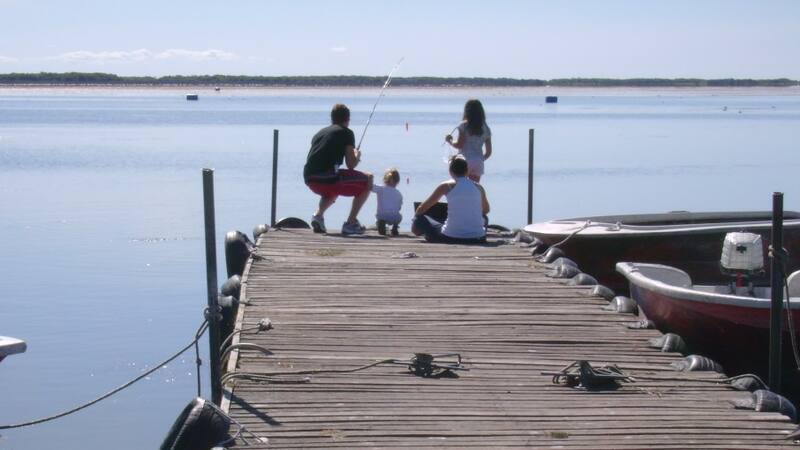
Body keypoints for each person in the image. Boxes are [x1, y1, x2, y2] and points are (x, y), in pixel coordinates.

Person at [304, 104, 373, 235]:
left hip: (309, 178)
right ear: (347, 119)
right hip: (327, 178)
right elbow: (351, 164)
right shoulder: (347, 133)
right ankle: (351, 223)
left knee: (333, 185)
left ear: (332, 119)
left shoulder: (319, 133)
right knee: (368, 178)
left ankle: (318, 216)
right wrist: (357, 155)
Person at [412, 156, 489, 244]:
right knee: (485, 218)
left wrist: (415, 221)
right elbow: (486, 210)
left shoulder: (446, 186)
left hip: (450, 237)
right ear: (467, 171)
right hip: (478, 238)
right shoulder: (479, 187)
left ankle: (419, 232)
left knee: (420, 217)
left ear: (450, 171)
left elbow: (422, 208)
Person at [445, 99, 492, 182]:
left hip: (464, 161)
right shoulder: (486, 128)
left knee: (461, 187)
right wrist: (479, 159)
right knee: (475, 189)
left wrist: (450, 141)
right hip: (478, 162)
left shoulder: (464, 125)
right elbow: (488, 152)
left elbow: (459, 145)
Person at [372, 167, 403, 236]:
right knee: (400, 217)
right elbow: (399, 207)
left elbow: (370, 187)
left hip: (382, 216)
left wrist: (369, 178)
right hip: (394, 217)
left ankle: (381, 223)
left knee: (380, 218)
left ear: (385, 179)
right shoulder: (399, 193)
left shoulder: (380, 189)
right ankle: (395, 227)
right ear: (397, 181)